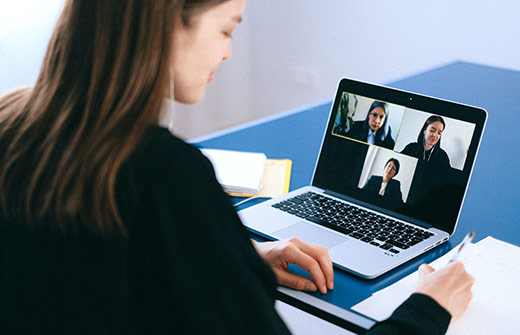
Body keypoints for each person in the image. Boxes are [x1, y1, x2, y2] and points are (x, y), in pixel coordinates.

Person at [0, 0, 474, 334]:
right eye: (227, 28)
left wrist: (235, 258)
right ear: (168, 22)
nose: (228, 52)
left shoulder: (12, 122)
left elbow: (95, 263)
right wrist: (428, 309)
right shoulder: (168, 175)